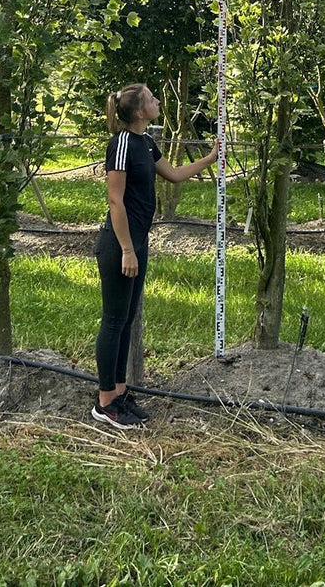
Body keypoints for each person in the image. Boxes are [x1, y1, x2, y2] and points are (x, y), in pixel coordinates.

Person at [91, 82, 219, 428]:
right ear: (138, 111)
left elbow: (174, 175)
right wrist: (128, 250)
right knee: (114, 321)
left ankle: (120, 392)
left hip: (137, 244)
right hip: (119, 245)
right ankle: (105, 403)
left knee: (127, 320)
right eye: (151, 99)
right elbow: (115, 201)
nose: (158, 101)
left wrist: (209, 158)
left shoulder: (146, 143)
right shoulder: (120, 145)